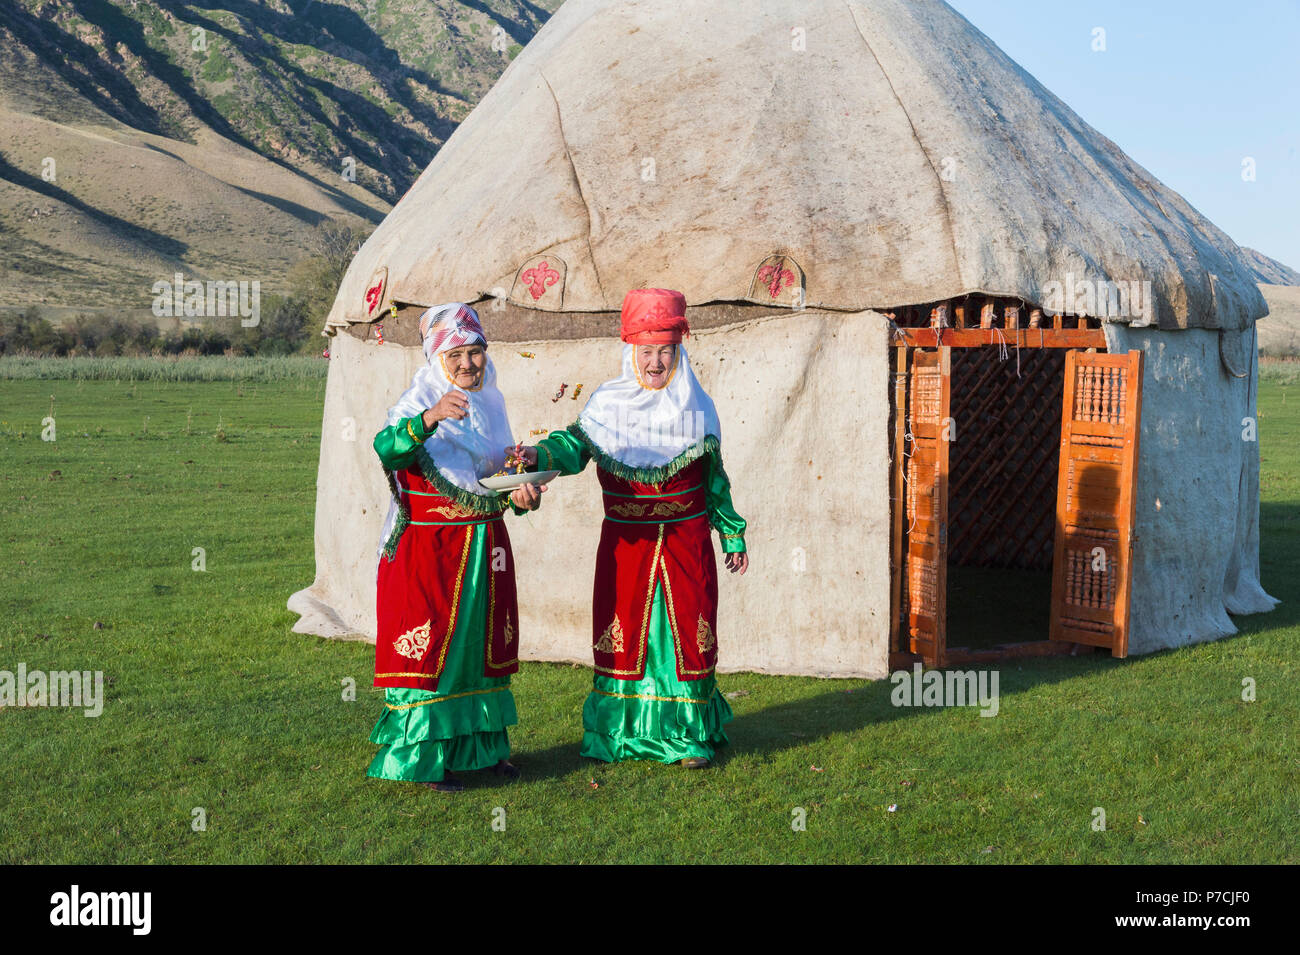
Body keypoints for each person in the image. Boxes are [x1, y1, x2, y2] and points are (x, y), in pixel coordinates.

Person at [510, 288, 748, 768]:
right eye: (647, 351)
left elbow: (714, 483)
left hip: (686, 541)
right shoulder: (608, 405)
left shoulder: (696, 408)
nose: (656, 361)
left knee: (682, 634)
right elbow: (573, 448)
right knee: (623, 632)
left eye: (665, 350)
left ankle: (686, 740)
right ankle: (618, 735)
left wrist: (733, 533)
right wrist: (537, 455)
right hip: (626, 543)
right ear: (631, 352)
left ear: (678, 352)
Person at [367, 302, 546, 793]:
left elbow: (493, 484)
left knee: (478, 653)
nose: (469, 364)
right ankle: (422, 762)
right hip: (428, 551)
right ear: (435, 360)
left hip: (485, 548)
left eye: (476, 353)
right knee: (432, 657)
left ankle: (484, 751)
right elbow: (387, 447)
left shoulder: (492, 402)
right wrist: (431, 416)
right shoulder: (417, 401)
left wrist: (523, 495)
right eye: (456, 356)